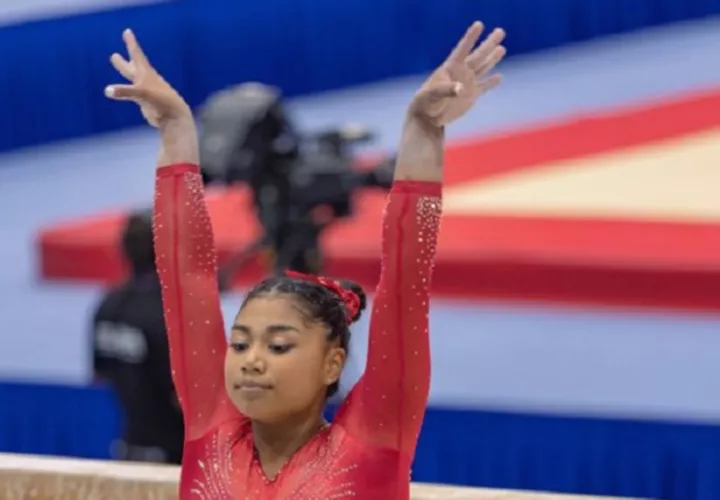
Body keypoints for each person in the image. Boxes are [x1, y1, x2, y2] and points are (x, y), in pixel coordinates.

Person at [105, 21, 505, 499]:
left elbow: (405, 283)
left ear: (332, 363)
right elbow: (185, 277)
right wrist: (176, 133)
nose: (251, 362)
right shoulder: (209, 428)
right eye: (240, 345)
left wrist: (423, 130)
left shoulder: (374, 436)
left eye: (278, 347)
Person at [91, 209, 184, 464]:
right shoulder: (168, 313)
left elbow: (100, 376)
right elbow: (181, 396)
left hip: (129, 447)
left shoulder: (106, 306)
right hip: (173, 458)